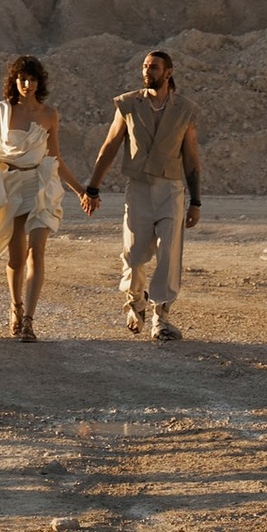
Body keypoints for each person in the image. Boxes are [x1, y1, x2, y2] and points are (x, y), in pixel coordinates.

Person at [81, 46, 202, 340]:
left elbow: (191, 158)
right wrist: (93, 187)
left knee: (168, 254)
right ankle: (136, 303)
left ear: (168, 73)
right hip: (138, 189)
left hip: (171, 190)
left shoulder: (184, 110)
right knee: (134, 256)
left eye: (154, 67)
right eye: (145, 67)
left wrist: (195, 201)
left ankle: (161, 318)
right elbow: (110, 146)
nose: (147, 72)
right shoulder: (128, 104)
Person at [0, 53, 68, 341]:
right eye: (22, 79)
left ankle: (29, 321)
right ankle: (15, 306)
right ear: (14, 81)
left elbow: (56, 156)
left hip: (39, 184)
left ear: (39, 83)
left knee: (36, 250)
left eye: (32, 79)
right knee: (16, 257)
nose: (27, 84)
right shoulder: (2, 112)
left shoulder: (50, 114)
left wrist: (84, 190)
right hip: (11, 184)